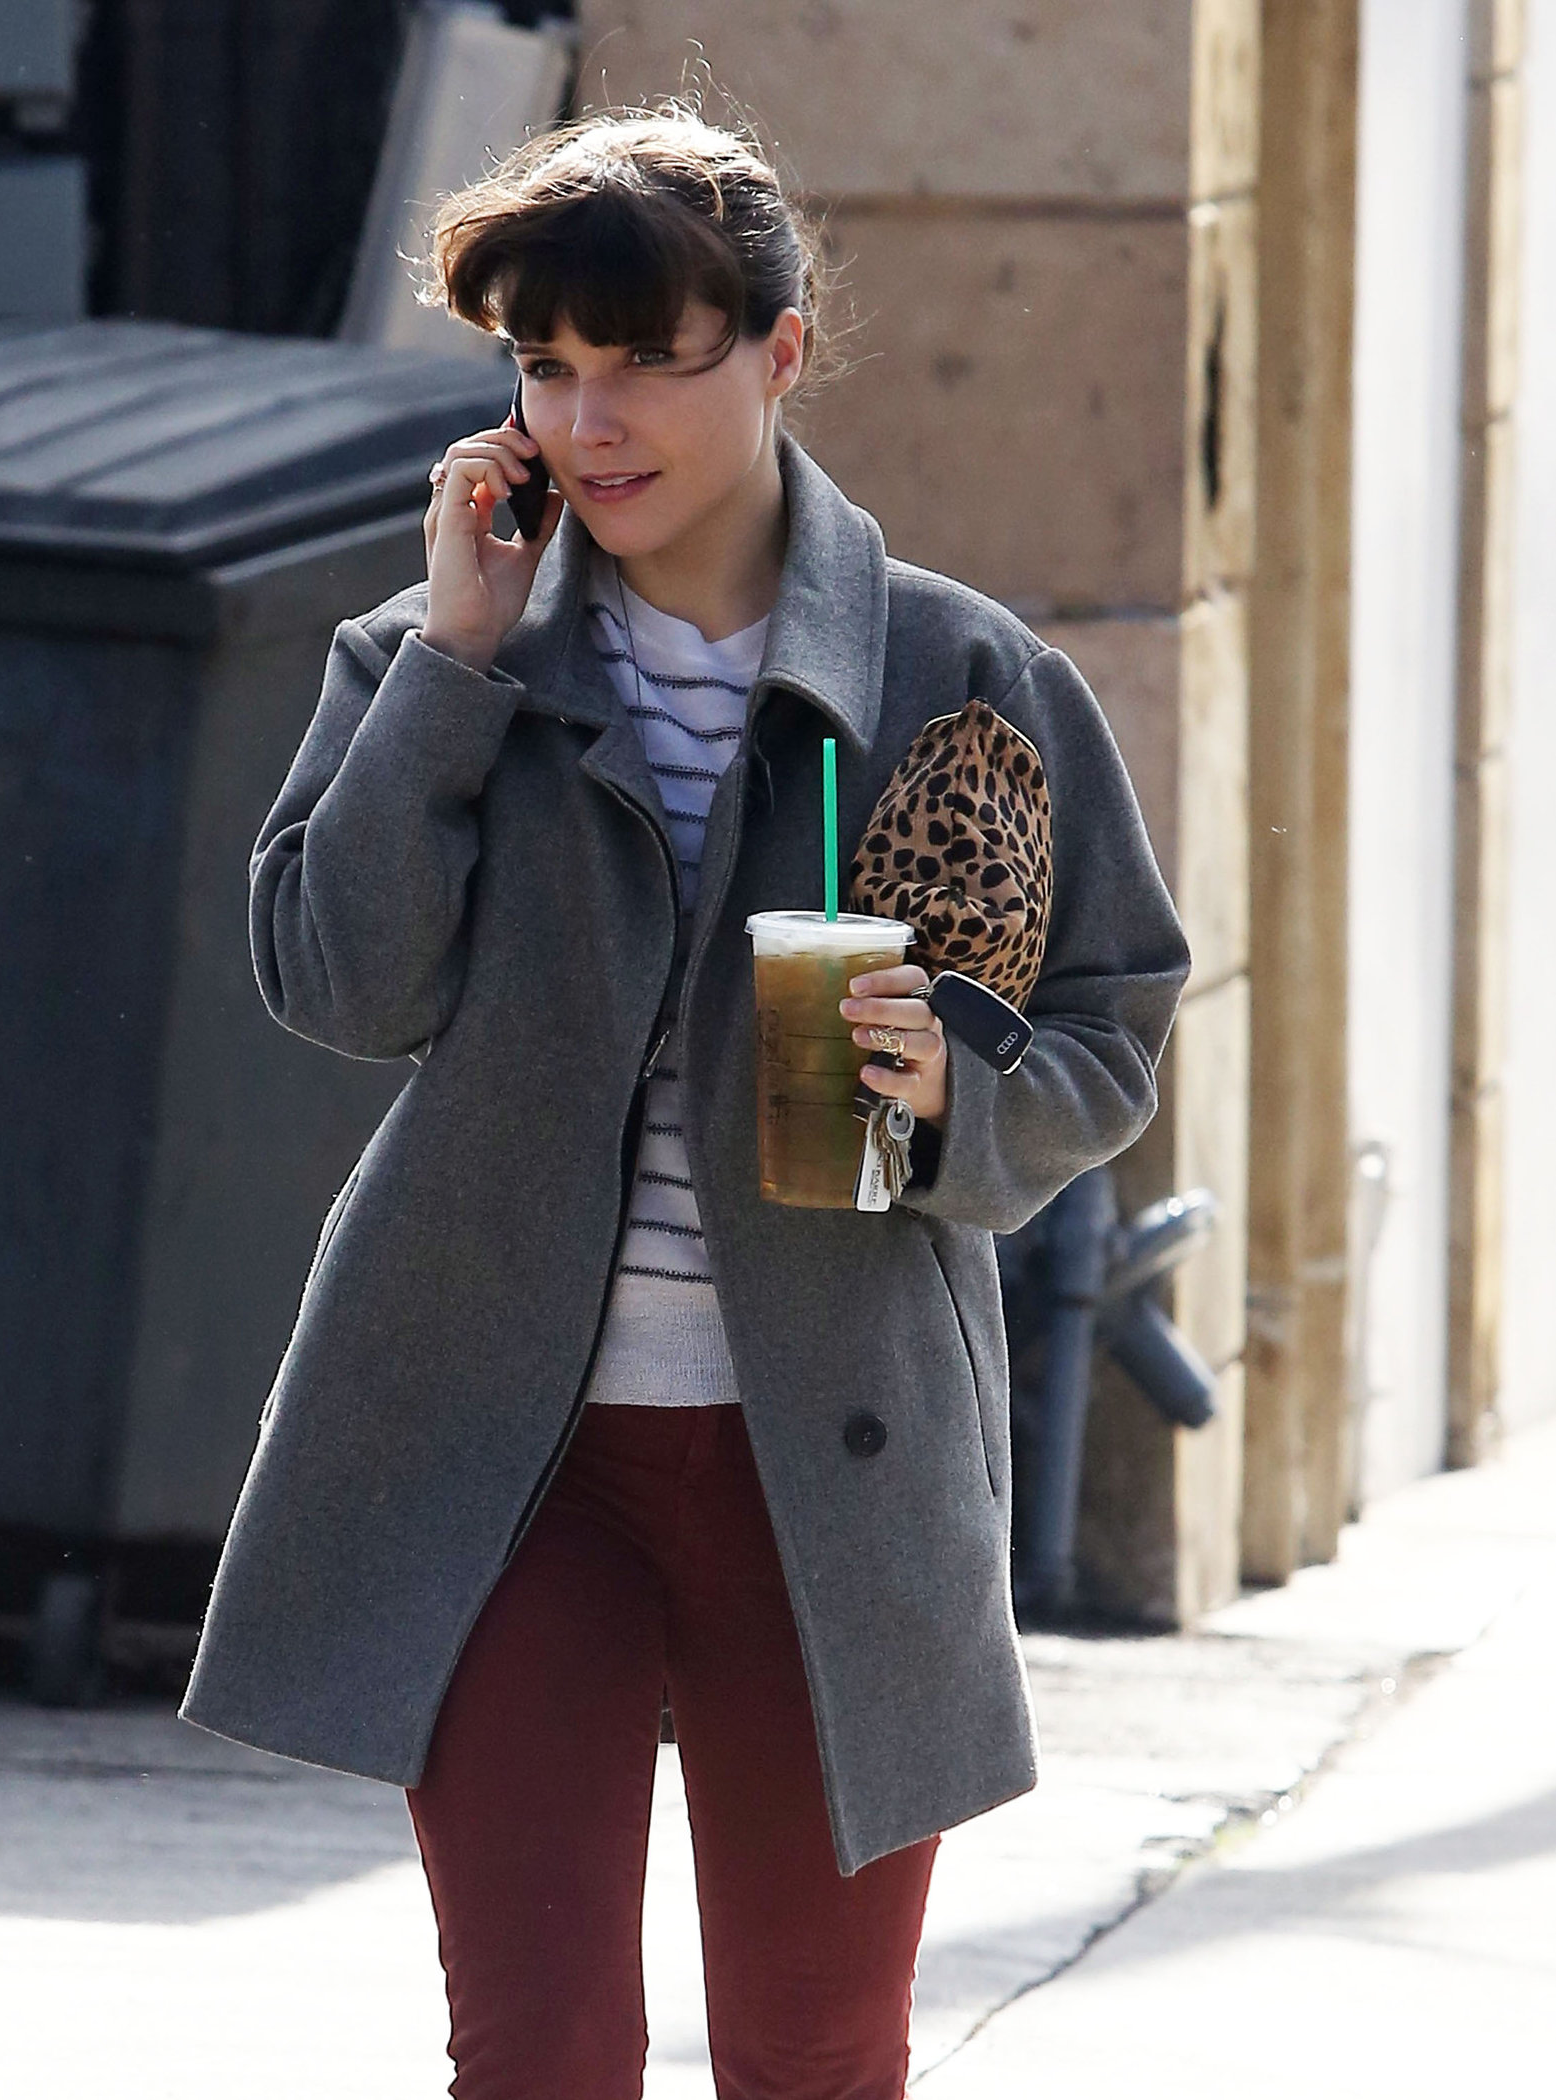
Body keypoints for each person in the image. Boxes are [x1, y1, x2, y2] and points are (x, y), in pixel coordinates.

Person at [181, 104, 1189, 2100]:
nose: (589, 421)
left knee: (813, 2055)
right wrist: (457, 668)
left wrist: (955, 1094)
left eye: (646, 358)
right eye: (544, 366)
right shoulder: (427, 660)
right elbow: (339, 985)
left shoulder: (954, 674)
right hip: (501, 1457)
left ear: (780, 352)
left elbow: (1108, 1028)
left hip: (832, 1457)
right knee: (537, 2051)